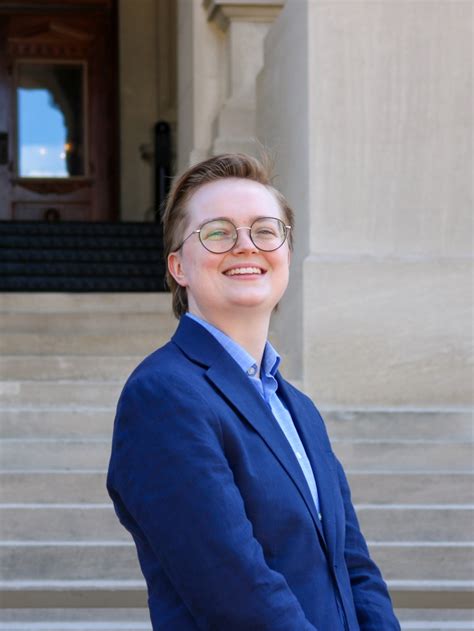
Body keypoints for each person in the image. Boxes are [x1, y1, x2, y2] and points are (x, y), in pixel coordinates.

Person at [107, 153, 401, 630]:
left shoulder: (298, 408)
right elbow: (235, 592)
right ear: (179, 266)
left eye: (265, 231)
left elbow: (355, 570)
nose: (246, 246)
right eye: (218, 232)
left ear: (286, 255)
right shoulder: (162, 396)